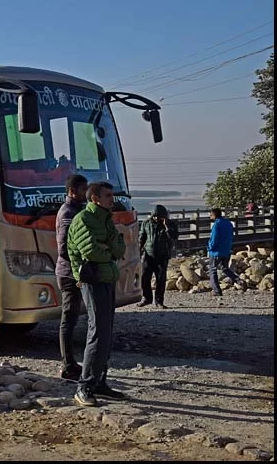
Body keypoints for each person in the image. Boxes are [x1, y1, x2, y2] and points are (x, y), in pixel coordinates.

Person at [67, 181, 127, 406]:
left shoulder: (106, 220)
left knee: (106, 332)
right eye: (108, 195)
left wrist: (107, 245)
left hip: (107, 279)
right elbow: (91, 252)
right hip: (92, 281)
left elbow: (119, 250)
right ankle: (84, 386)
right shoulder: (83, 220)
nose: (113, 199)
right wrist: (107, 247)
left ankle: (100, 382)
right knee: (97, 333)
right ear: (95, 199)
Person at [55, 174, 88, 381]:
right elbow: (65, 249)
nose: (86, 193)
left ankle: (71, 363)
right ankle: (67, 365)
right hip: (69, 273)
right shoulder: (68, 213)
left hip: (73, 272)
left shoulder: (77, 210)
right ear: (72, 191)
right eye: (83, 189)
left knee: (73, 318)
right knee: (68, 320)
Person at [137, 204, 178, 309]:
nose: (156, 218)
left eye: (158, 216)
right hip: (148, 255)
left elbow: (174, 236)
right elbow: (142, 237)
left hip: (162, 255)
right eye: (154, 216)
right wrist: (139, 249)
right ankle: (146, 298)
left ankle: (159, 301)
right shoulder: (146, 223)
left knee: (160, 280)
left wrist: (166, 226)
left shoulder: (170, 224)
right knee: (145, 278)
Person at [208, 208, 243, 297]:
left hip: (216, 252)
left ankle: (216, 290)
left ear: (215, 215)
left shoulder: (216, 225)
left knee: (212, 270)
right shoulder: (228, 223)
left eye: (211, 215)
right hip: (226, 250)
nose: (210, 216)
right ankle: (239, 281)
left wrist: (210, 248)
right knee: (225, 268)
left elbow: (214, 239)